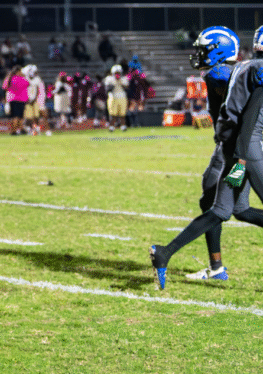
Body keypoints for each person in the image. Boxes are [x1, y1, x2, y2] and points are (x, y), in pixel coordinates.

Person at [150, 26, 263, 289]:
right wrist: (242, 159)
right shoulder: (252, 70)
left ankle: (165, 253)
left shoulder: (244, 68)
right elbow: (249, 118)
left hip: (234, 147)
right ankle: (214, 266)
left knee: (224, 210)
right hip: (245, 149)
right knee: (221, 206)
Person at [2, 64, 28, 136]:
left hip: (12, 99)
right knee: (19, 116)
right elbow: (27, 84)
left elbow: (4, 87)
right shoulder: (21, 78)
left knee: (14, 115)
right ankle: (17, 130)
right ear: (18, 71)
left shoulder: (9, 78)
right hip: (21, 99)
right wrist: (24, 76)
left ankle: (15, 130)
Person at [102, 64, 129, 131]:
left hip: (122, 96)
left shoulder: (124, 79)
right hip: (113, 97)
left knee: (122, 113)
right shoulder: (109, 79)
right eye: (116, 73)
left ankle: (123, 125)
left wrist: (122, 84)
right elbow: (107, 89)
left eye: (118, 73)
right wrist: (112, 86)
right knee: (112, 113)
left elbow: (127, 88)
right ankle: (111, 126)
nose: (117, 74)